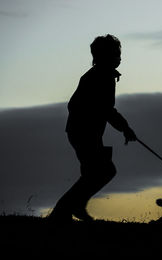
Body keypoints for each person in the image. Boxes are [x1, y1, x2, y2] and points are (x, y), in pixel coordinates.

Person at [49, 34, 137, 222]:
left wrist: (122, 127)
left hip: (86, 132)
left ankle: (70, 209)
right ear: (104, 56)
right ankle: (63, 211)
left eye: (119, 53)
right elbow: (105, 109)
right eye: (115, 54)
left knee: (96, 172)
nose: (119, 57)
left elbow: (102, 109)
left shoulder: (102, 75)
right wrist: (125, 128)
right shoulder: (100, 77)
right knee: (103, 171)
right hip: (83, 133)